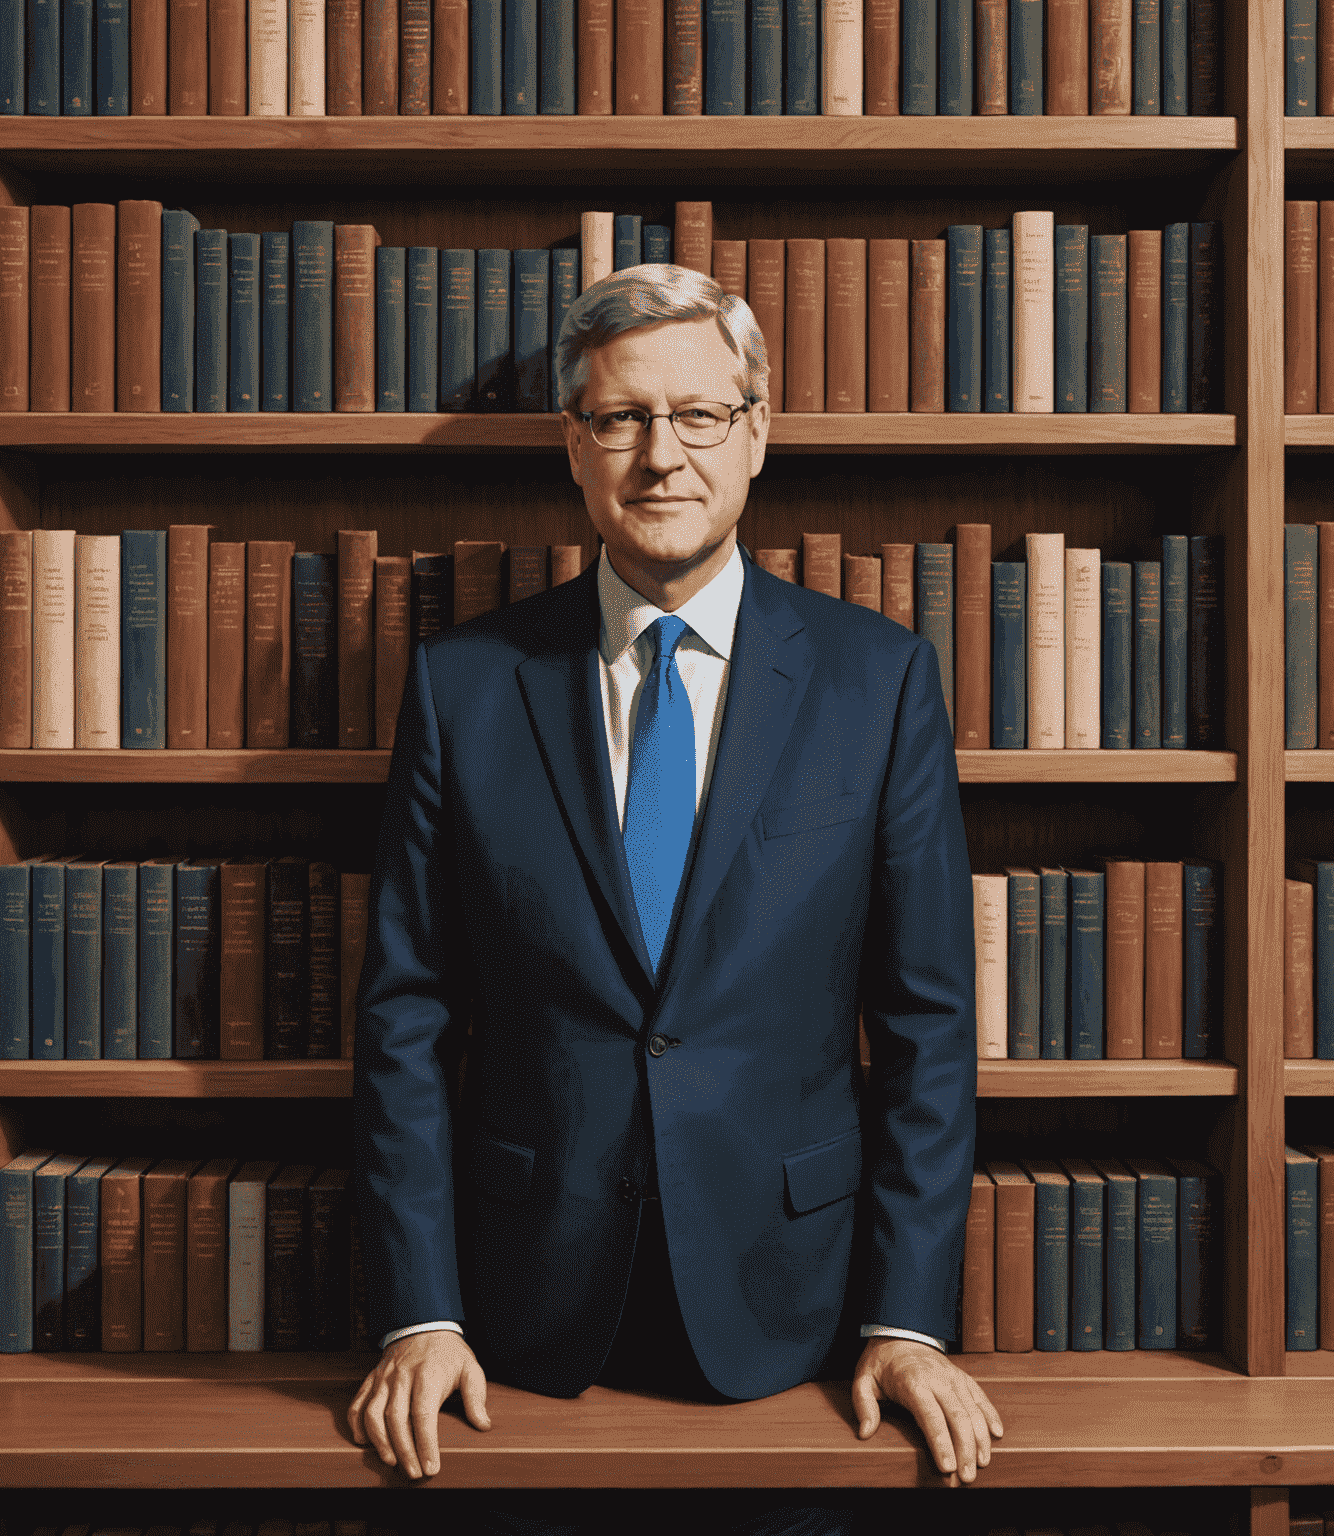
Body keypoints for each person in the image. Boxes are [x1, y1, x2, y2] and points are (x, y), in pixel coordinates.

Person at [347, 263, 1002, 1531]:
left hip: (796, 1320)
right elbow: (406, 1018)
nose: (663, 455)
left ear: (757, 434)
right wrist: (421, 1310)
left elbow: (927, 1025)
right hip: (516, 1323)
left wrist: (908, 1317)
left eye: (699, 415)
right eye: (623, 418)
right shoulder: (465, 687)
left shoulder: (880, 682)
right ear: (573, 447)